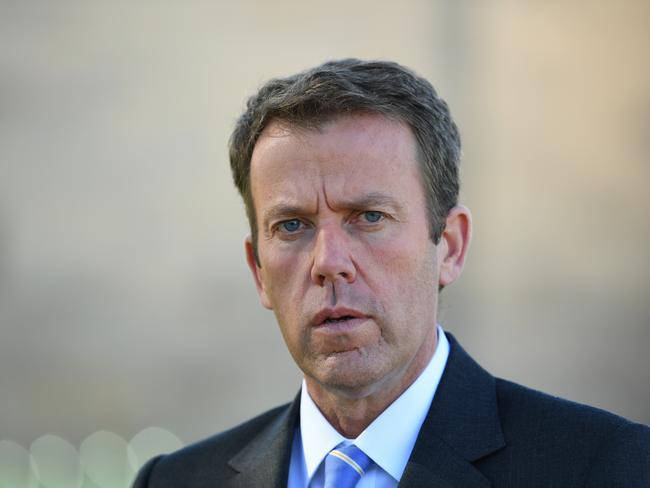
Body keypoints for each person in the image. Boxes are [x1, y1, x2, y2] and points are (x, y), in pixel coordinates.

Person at [133, 59, 650, 487]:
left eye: (369, 217)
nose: (329, 261)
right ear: (258, 270)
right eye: (292, 225)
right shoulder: (174, 481)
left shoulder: (608, 467)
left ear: (448, 245)